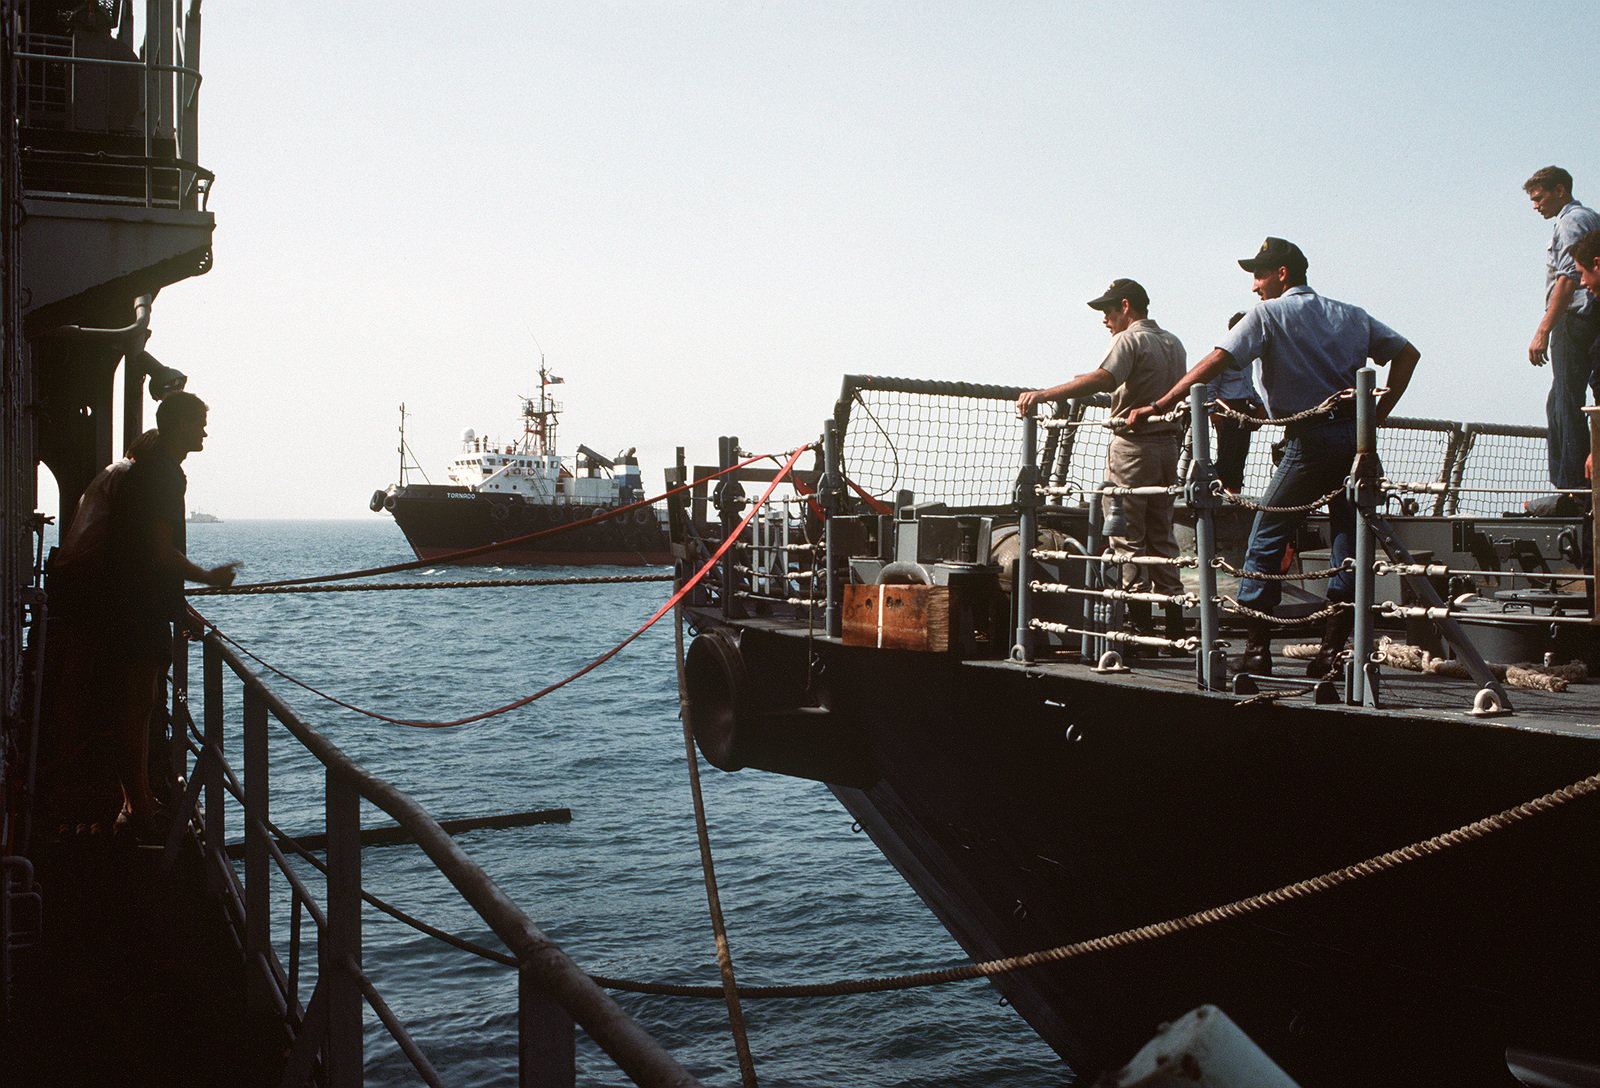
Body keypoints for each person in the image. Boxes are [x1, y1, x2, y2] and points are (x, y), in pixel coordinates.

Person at [1127, 238, 1421, 678]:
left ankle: (1258, 650)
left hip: (1308, 440)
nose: (1254, 286)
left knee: (1265, 536)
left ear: (1283, 273)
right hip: (1356, 443)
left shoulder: (1267, 315)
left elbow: (1218, 359)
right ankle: (1331, 653)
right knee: (1349, 543)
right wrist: (1375, 418)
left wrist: (1162, 401)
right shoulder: (1352, 315)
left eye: (1259, 275)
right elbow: (1407, 354)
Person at [47, 391, 237, 841]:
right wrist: (207, 577)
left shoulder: (149, 470)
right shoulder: (164, 475)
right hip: (132, 611)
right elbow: (154, 551)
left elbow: (135, 552)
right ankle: (139, 811)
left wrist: (178, 607)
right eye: (199, 423)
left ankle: (137, 803)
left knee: (134, 710)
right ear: (178, 426)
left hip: (121, 605)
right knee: (135, 711)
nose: (205, 431)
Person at [1018, 278, 1187, 641]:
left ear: (1125, 306)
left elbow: (1105, 379)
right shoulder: (1173, 342)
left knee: (1127, 536)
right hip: (1167, 447)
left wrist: (1044, 394)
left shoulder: (1129, 339)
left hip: (1133, 448)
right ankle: (1175, 628)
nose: (1104, 320)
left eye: (1108, 311)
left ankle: (1140, 629)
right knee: (1162, 536)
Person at [1524, 166, 1600, 507]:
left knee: (1564, 401)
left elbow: (1569, 279)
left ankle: (1573, 488)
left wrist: (1544, 330)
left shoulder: (1571, 221)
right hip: (1589, 318)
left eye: (1539, 198)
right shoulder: (1590, 218)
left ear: (1559, 190)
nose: (1536, 206)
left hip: (1575, 319)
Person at [1202, 311, 1263, 493]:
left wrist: (1260, 404)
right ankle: (1218, 497)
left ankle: (1235, 497)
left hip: (1244, 408)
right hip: (1227, 409)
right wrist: (1213, 412)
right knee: (1227, 456)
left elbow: (1248, 385)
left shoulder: (1247, 358)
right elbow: (1210, 385)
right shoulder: (1222, 356)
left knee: (1240, 456)